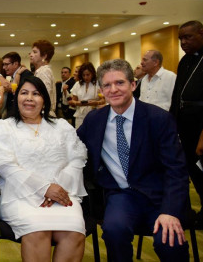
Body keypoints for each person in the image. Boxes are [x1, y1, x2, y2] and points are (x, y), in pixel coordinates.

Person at [77, 59, 189, 261]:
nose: (114, 90)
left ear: (133, 85)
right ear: (101, 90)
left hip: (160, 195)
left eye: (120, 83)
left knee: (169, 242)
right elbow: (70, 146)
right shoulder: (94, 120)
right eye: (107, 85)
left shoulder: (158, 118)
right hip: (123, 195)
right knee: (113, 231)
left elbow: (176, 170)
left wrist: (171, 211)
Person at [0, 76, 87, 261]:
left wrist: (57, 189)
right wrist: (43, 188)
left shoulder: (61, 126)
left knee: (74, 230)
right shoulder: (3, 127)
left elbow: (77, 159)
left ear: (44, 100)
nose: (29, 98)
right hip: (19, 195)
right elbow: (4, 165)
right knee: (37, 230)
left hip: (62, 193)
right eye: (24, 93)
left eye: (36, 94)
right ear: (16, 98)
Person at [170, 20, 203, 226]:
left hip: (202, 126)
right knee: (194, 171)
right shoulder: (185, 61)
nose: (183, 42)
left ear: (202, 33)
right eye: (181, 38)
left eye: (188, 37)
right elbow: (177, 95)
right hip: (186, 125)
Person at [69, 62, 105, 128]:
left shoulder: (98, 84)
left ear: (92, 73)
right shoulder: (77, 84)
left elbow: (104, 100)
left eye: (88, 75)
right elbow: (73, 101)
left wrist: (96, 102)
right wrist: (78, 103)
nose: (85, 77)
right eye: (83, 75)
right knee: (79, 136)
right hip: (80, 116)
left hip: (95, 114)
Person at [30, 40, 56, 114]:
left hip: (43, 113)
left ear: (44, 56)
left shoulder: (44, 71)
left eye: (35, 52)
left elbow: (44, 96)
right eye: (31, 52)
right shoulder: (40, 71)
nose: (31, 55)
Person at [2, 52, 32, 116]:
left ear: (15, 64)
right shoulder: (14, 76)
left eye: (6, 64)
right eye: (3, 64)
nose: (3, 67)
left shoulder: (26, 74)